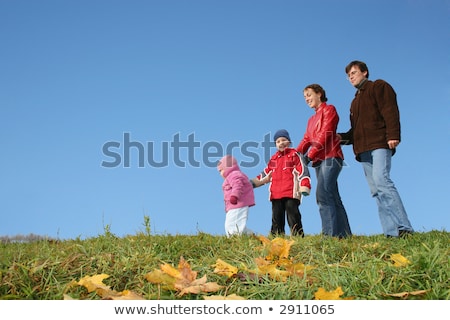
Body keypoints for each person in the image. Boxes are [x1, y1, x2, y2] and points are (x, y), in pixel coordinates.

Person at [338, 60, 414, 238]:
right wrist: (340, 138)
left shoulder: (378, 86)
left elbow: (390, 110)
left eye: (354, 73)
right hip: (363, 150)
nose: (351, 77)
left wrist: (393, 134)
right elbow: (355, 130)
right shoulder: (354, 102)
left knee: (382, 181)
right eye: (348, 76)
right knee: (376, 191)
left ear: (365, 72)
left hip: (380, 143)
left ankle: (405, 228)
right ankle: (391, 232)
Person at [296, 84, 352, 238]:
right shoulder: (311, 119)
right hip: (318, 160)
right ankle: (344, 235)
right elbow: (307, 138)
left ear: (319, 94)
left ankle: (329, 235)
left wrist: (310, 155)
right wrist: (294, 155)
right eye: (305, 97)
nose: (307, 99)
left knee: (323, 193)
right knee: (332, 195)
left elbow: (325, 133)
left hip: (331, 156)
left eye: (309, 94)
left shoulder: (329, 110)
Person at [251, 129, 311, 237]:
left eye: (283, 140)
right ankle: (276, 236)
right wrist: (251, 183)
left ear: (289, 142)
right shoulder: (274, 159)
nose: (281, 143)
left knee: (293, 214)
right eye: (278, 142)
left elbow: (302, 170)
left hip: (291, 192)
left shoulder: (295, 155)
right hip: (276, 193)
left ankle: (297, 235)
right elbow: (266, 173)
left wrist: (305, 185)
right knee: (276, 216)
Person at [217, 155, 255, 237]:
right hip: (233, 205)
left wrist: (235, 196)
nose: (220, 174)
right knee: (232, 223)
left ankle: (235, 238)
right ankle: (250, 235)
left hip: (238, 204)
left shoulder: (235, 175)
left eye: (220, 170)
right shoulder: (231, 177)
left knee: (233, 223)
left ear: (228, 167)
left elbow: (238, 185)